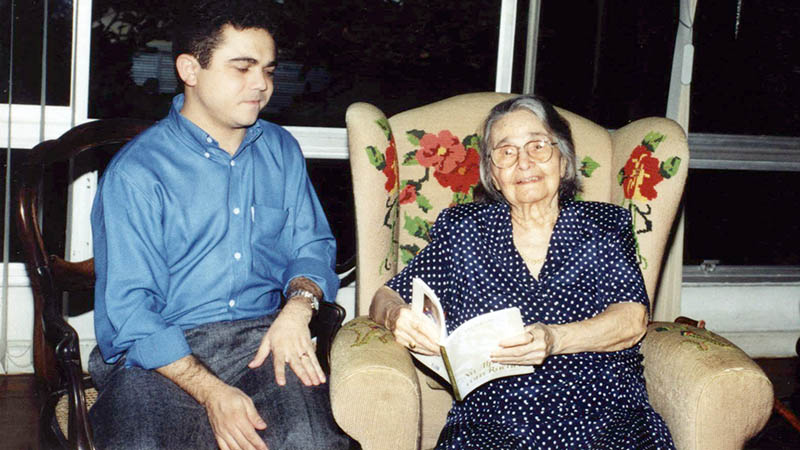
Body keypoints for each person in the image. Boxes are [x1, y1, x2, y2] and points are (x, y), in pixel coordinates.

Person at [88, 3, 352, 449]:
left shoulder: (281, 150)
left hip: (262, 339)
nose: (261, 84)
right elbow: (130, 313)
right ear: (190, 69)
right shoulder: (137, 172)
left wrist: (298, 307)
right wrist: (212, 392)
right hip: (159, 354)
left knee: (312, 441)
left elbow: (312, 248)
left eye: (268, 69)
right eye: (242, 68)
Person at [369, 95, 675, 449]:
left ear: (563, 160)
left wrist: (554, 339)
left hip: (605, 415)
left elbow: (632, 319)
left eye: (538, 146)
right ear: (492, 174)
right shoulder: (464, 231)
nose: (524, 162)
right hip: (492, 422)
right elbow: (385, 295)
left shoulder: (603, 224)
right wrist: (395, 315)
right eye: (506, 152)